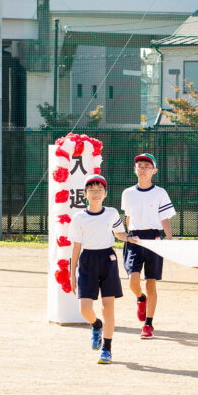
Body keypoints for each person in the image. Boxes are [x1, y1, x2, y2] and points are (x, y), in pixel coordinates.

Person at [69, 175, 131, 364]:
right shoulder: (79, 218)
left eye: (99, 190)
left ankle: (107, 349)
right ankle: (96, 325)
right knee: (85, 309)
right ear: (85, 194)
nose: (96, 194)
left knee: (108, 306)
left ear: (105, 193)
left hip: (108, 259)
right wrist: (72, 275)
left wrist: (130, 237)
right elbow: (76, 247)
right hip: (87, 261)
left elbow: (119, 233)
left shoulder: (111, 213)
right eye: (92, 190)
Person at [121, 154, 175, 340]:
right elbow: (128, 217)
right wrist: (128, 236)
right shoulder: (128, 193)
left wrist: (168, 239)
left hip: (154, 238)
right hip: (135, 239)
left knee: (151, 282)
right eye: (139, 165)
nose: (142, 169)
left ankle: (148, 324)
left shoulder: (160, 192)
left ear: (154, 171)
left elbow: (165, 218)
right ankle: (140, 298)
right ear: (134, 169)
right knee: (133, 281)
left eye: (146, 166)